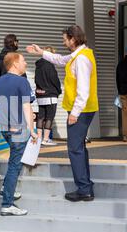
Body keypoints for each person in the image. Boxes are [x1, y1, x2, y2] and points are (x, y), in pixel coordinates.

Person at [27, 25, 99, 202]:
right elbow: (59, 59)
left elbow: (83, 90)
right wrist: (41, 52)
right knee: (79, 147)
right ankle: (86, 185)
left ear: (73, 39)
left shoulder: (81, 59)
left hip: (80, 110)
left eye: (65, 39)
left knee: (74, 149)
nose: (63, 42)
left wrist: (74, 113)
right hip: (84, 109)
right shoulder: (79, 55)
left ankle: (84, 189)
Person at [0, 52, 38, 216]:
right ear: (15, 63)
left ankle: (6, 188)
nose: (25, 63)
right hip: (18, 129)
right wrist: (32, 130)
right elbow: (27, 107)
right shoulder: (22, 81)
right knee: (14, 165)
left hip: (4, 128)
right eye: (23, 61)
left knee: (13, 160)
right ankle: (7, 204)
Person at [34, 46, 62, 146]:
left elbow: (36, 80)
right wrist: (58, 90)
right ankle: (46, 139)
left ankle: (39, 138)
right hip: (51, 95)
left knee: (40, 117)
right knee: (50, 117)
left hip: (40, 94)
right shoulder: (50, 66)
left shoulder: (38, 65)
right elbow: (55, 80)